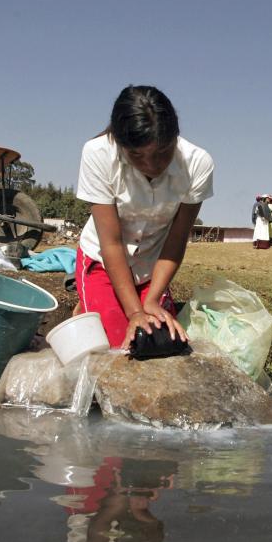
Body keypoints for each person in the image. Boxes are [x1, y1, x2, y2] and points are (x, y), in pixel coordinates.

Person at [75, 85, 214, 349]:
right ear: (119, 143)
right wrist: (135, 313)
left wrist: (152, 300)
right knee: (121, 345)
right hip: (104, 260)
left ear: (176, 137)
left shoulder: (198, 164)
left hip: (152, 265)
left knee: (162, 342)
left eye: (162, 152)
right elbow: (111, 244)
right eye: (137, 155)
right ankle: (92, 301)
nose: (152, 165)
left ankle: (104, 305)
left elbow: (176, 239)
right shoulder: (97, 154)